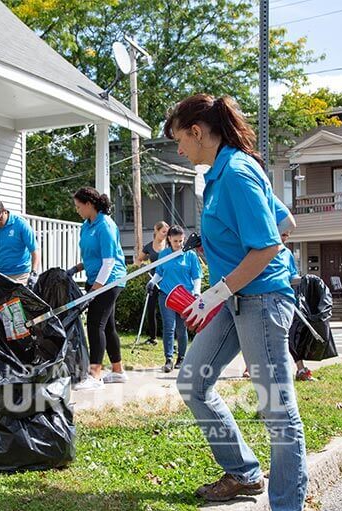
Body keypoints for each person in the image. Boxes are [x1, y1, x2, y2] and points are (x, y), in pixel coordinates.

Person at [165, 94, 308, 509]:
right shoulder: (221, 173)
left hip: (260, 302)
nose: (179, 149)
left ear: (197, 132)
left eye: (180, 140)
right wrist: (221, 253)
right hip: (236, 300)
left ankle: (287, 505)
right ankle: (244, 473)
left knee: (277, 410)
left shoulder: (239, 173)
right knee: (193, 381)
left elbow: (266, 246)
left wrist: (217, 291)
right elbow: (285, 222)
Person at [67, 187, 128, 390]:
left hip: (110, 281)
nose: (77, 210)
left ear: (90, 204)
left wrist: (95, 289)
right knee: (107, 325)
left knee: (95, 324)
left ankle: (95, 375)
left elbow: (109, 261)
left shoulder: (106, 225)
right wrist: (77, 267)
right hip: (96, 279)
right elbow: (92, 255)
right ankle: (118, 372)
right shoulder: (87, 225)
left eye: (78, 206)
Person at [146, 225, 201, 373]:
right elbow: (159, 273)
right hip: (166, 295)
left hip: (184, 297)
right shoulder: (164, 254)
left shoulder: (190, 255)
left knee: (181, 329)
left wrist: (196, 293)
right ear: (169, 239)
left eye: (181, 241)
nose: (179, 244)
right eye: (176, 241)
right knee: (169, 328)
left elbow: (196, 277)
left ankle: (181, 358)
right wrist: (152, 282)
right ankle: (168, 359)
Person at [0, 199, 40, 287]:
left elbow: (35, 251)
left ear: (4, 211)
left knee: (16, 300)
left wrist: (33, 273)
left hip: (20, 274)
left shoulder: (21, 224)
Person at [137, 221, 169, 345]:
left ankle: (170, 338)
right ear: (156, 230)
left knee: (167, 310)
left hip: (166, 281)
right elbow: (139, 259)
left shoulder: (168, 246)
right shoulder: (149, 246)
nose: (165, 235)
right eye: (164, 232)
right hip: (153, 280)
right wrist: (141, 267)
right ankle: (153, 338)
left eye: (167, 233)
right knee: (151, 309)